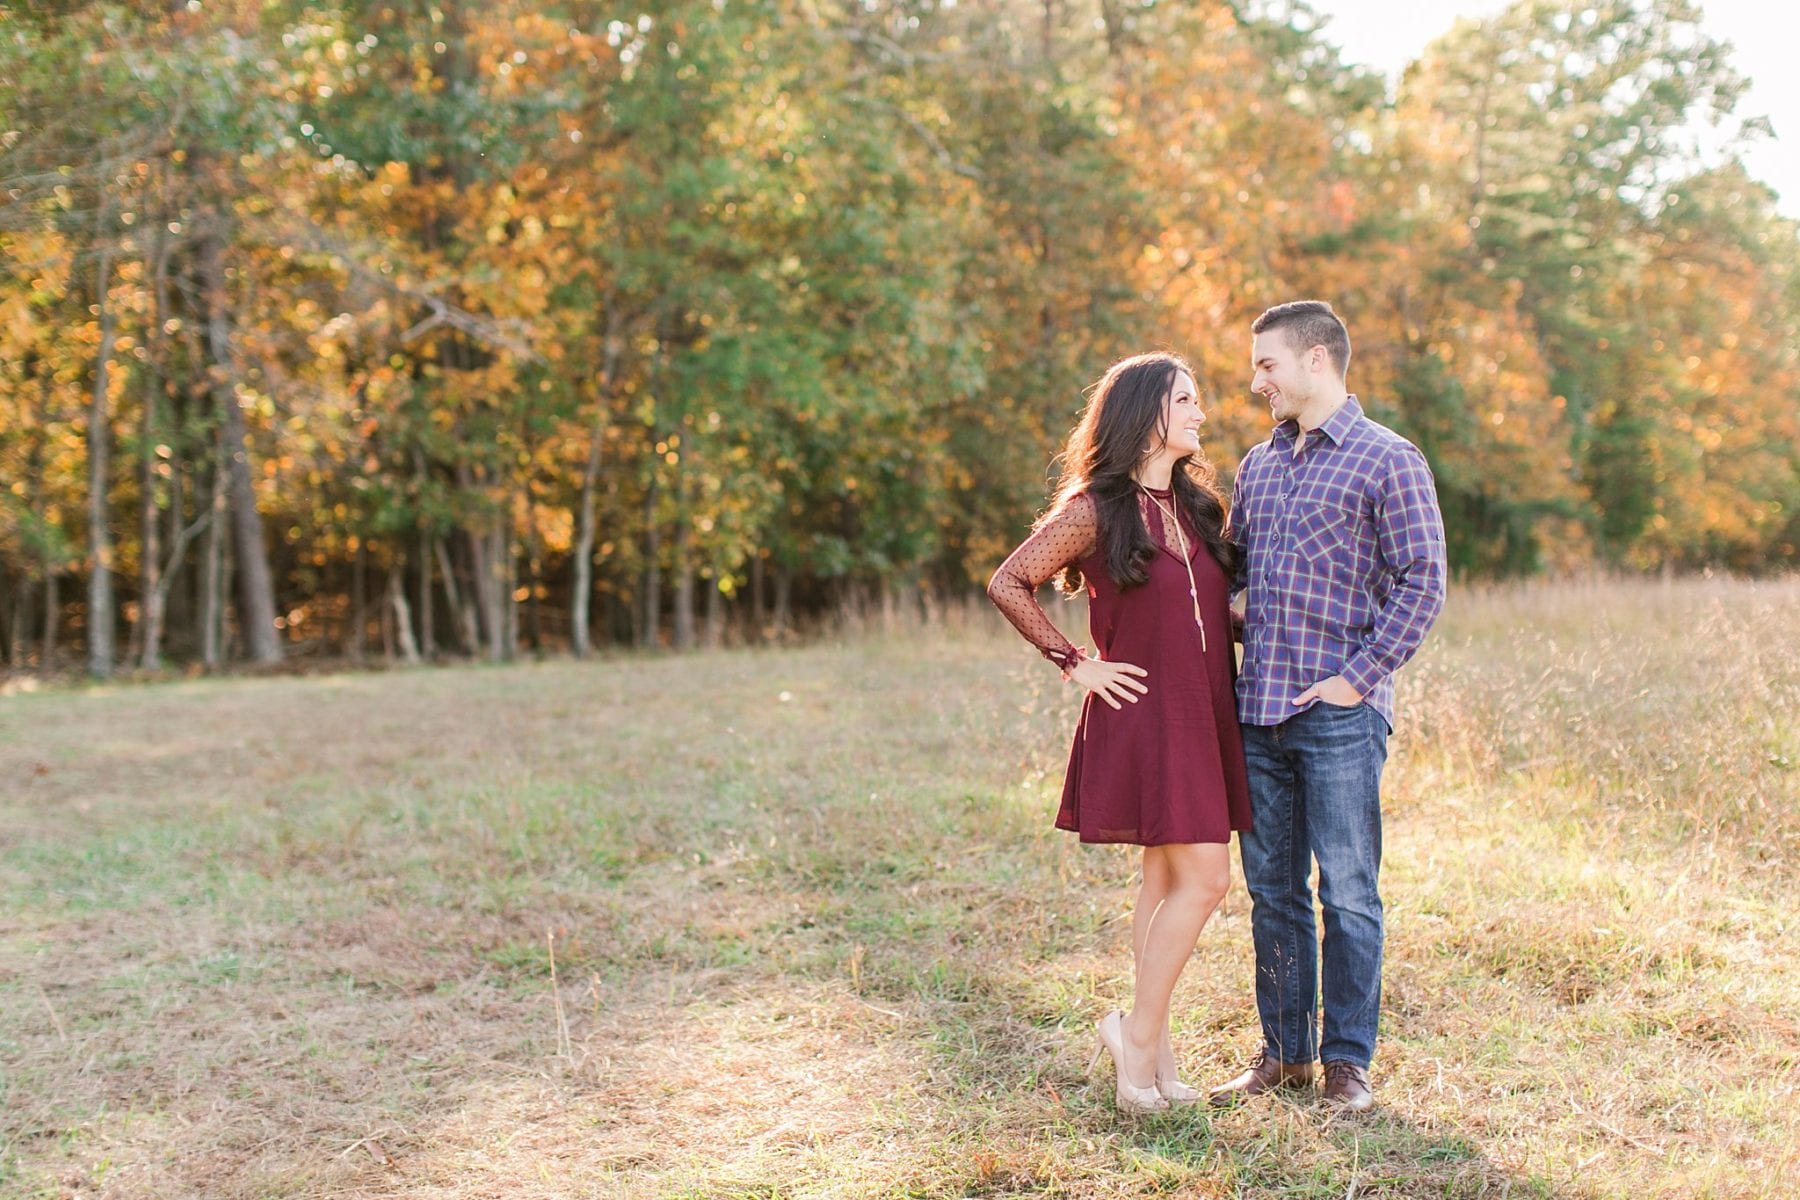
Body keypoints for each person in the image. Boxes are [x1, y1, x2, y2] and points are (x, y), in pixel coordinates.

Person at [986, 351, 1251, 1115]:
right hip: (1143, 715)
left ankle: (1155, 1053)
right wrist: (1074, 662)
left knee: (1165, 882)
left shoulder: (1200, 510)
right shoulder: (1095, 509)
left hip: (1205, 711)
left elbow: (1206, 613)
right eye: (1188, 401)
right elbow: (1009, 581)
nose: (1201, 414)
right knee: (1206, 880)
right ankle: (1136, 1035)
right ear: (1147, 414)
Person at [1207, 300, 1447, 1114]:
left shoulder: (1389, 459)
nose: (1256, 381)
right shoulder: (1258, 466)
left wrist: (1362, 675)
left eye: (1267, 364)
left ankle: (1349, 1065)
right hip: (1258, 709)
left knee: (1346, 891)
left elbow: (1425, 579)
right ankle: (1286, 1055)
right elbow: (1239, 577)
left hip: (1340, 714)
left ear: (1316, 359)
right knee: (1273, 891)